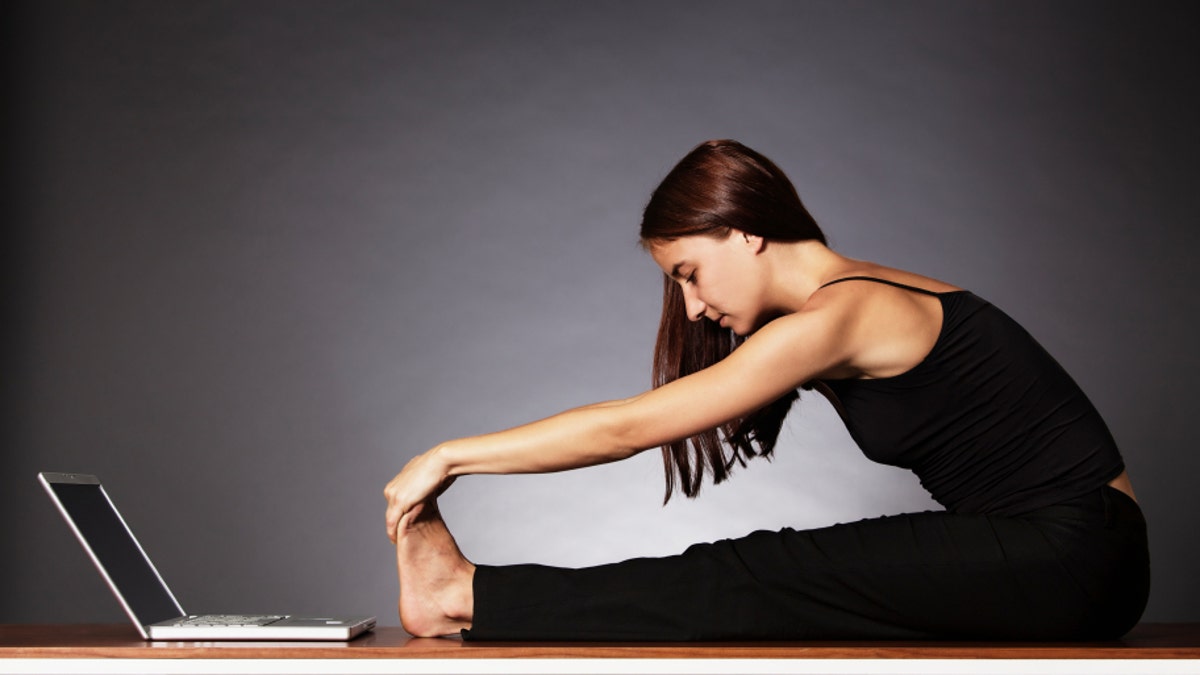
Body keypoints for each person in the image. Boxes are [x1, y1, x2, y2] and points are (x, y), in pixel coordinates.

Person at [383, 140, 1150, 641]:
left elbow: (630, 427)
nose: (689, 306)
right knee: (762, 575)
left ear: (745, 230)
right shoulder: (851, 298)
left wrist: (450, 455)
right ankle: (468, 593)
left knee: (756, 575)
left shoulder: (847, 312)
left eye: (688, 273)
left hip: (1073, 553)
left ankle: (466, 594)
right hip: (1066, 547)